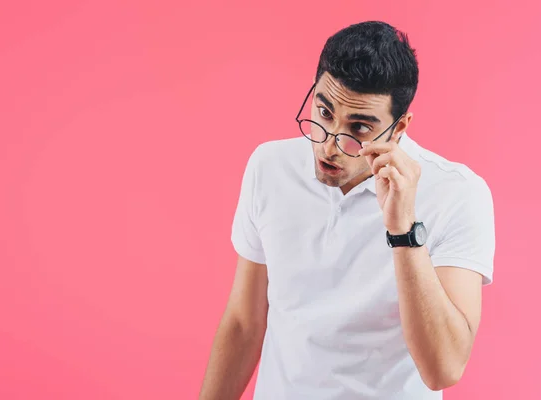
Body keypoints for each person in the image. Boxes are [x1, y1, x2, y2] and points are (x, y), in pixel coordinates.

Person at [199, 20, 495, 400]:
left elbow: (444, 367)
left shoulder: (457, 193)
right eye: (323, 113)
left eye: (358, 128)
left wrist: (403, 230)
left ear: (399, 126)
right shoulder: (269, 167)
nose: (329, 147)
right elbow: (244, 323)